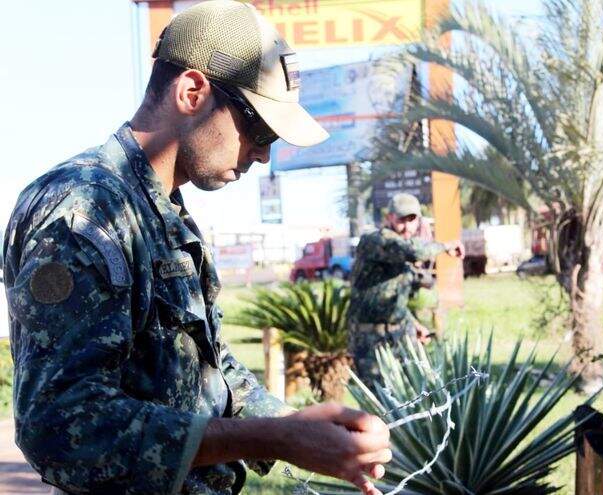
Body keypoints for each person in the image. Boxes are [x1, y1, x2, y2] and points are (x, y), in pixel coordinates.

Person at [3, 2, 391, 494]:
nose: (264, 153)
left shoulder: (163, 212)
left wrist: (297, 425)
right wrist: (276, 438)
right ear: (192, 92)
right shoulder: (82, 212)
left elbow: (203, 366)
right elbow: (60, 427)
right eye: (259, 128)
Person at [347, 193, 464, 389]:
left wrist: (413, 324)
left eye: (412, 219)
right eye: (402, 219)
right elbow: (413, 251)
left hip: (399, 334)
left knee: (412, 394)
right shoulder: (375, 241)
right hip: (369, 338)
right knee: (379, 400)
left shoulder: (402, 257)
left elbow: (394, 296)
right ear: (389, 217)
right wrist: (446, 246)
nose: (407, 226)